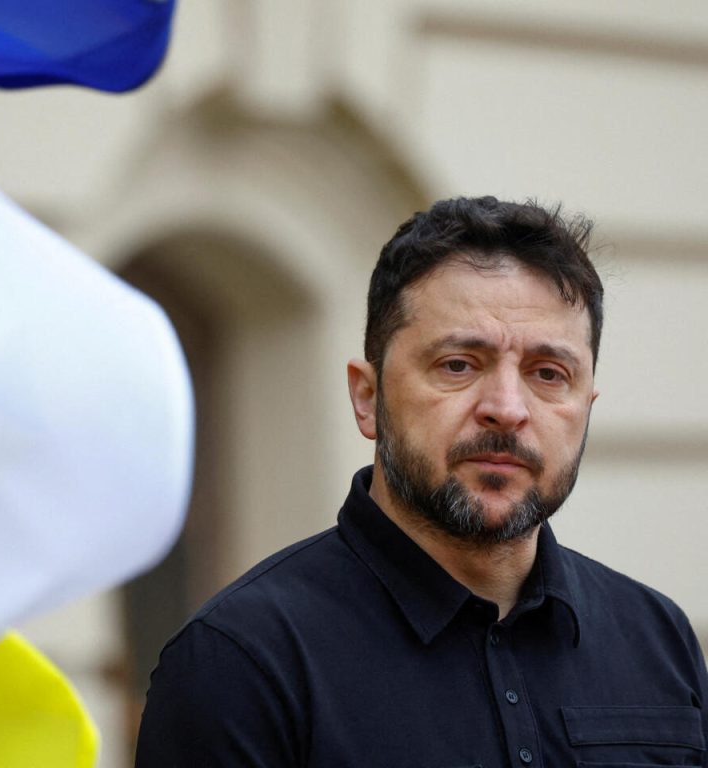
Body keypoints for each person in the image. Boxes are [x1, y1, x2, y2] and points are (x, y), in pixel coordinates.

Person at [135, 196, 708, 767]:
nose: (507, 409)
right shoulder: (241, 662)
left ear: (586, 405)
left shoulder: (657, 639)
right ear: (368, 397)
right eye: (458, 364)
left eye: (548, 374)